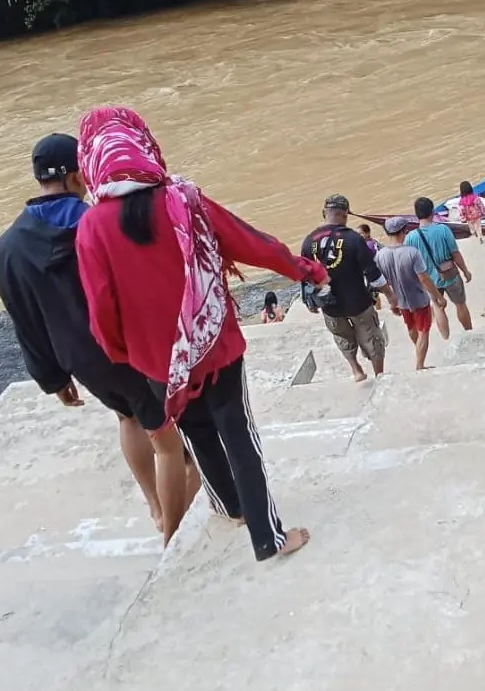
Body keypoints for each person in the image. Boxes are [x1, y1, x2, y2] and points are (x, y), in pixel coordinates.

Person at [76, 106, 326, 560]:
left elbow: (101, 311)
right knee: (239, 435)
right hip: (217, 347)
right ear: (145, 145)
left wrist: (130, 354)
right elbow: (251, 243)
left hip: (157, 362)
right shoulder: (185, 199)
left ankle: (231, 507)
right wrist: (304, 269)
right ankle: (268, 538)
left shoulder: (91, 227)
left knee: (198, 435)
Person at [0, 132, 198, 537]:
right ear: (75, 176)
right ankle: (172, 533)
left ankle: (156, 508)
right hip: (128, 347)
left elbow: (25, 318)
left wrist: (53, 378)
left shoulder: (8, 247)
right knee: (172, 446)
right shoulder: (98, 222)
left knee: (127, 417)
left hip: (78, 358)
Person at [302, 195, 395, 383]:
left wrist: (308, 301)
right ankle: (380, 375)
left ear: (324, 214)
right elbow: (372, 273)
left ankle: (357, 370)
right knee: (372, 338)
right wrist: (390, 295)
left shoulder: (308, 242)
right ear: (345, 215)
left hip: (329, 305)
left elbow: (304, 275)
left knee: (342, 337)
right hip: (358, 302)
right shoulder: (353, 239)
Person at [375, 216, 445, 371]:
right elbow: (424, 279)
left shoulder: (380, 255)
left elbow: (382, 282)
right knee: (424, 332)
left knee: (412, 329)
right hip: (419, 299)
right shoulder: (412, 253)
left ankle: (418, 350)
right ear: (403, 232)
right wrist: (438, 297)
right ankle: (420, 365)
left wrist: (392, 301)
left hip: (401, 301)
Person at [406, 197, 473, 339]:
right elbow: (455, 254)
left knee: (438, 307)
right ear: (432, 212)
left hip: (429, 280)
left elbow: (410, 263)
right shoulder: (443, 230)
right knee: (460, 304)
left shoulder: (411, 237)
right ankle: (469, 332)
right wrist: (465, 271)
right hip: (450, 275)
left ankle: (446, 338)